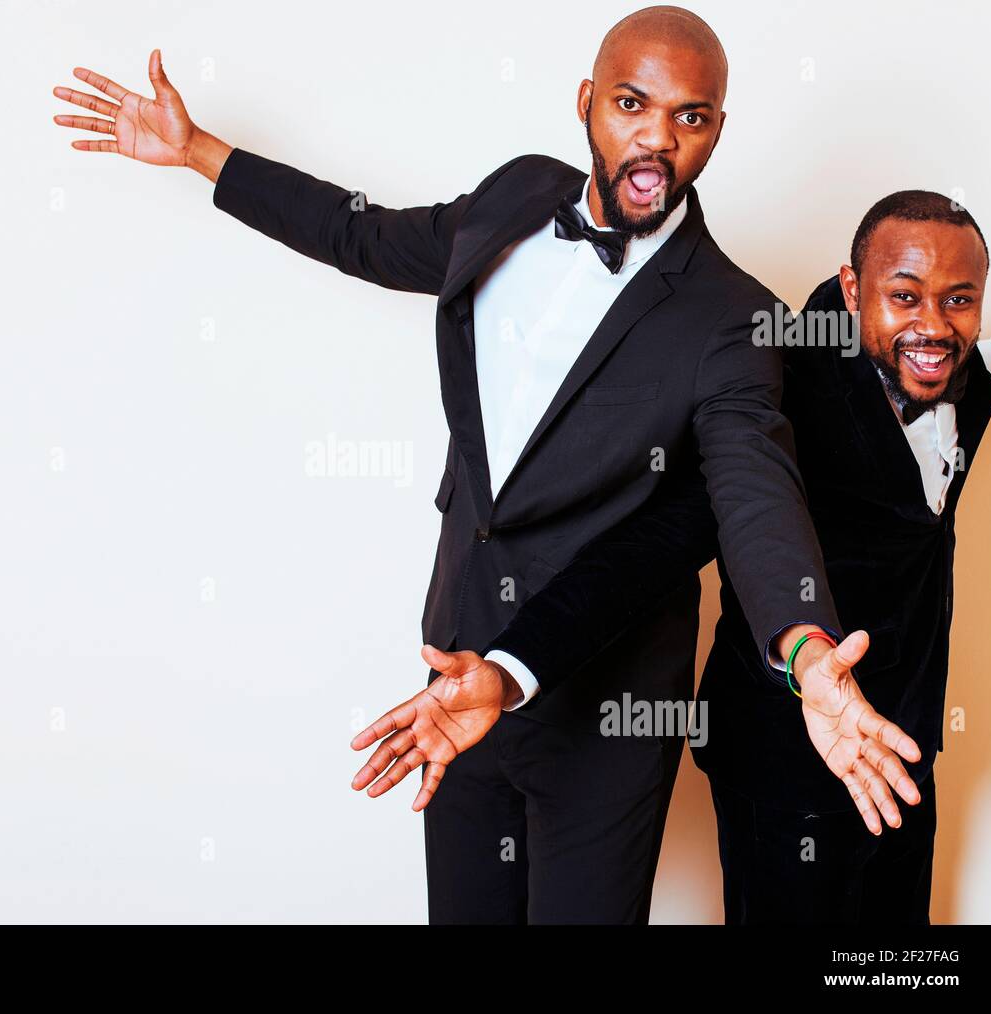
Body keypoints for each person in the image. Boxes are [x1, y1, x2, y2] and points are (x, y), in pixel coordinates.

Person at [54, 6, 914, 923]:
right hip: (457, 662)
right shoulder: (515, 198)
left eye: (690, 117)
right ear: (587, 101)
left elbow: (752, 495)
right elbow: (368, 236)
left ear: (716, 132)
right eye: (632, 104)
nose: (656, 139)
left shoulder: (732, 318)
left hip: (605, 706)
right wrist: (202, 153)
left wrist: (807, 650)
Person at [377, 191, 991, 923]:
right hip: (785, 770)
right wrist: (513, 668)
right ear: (854, 288)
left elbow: (984, 358)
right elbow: (647, 551)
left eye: (959, 301)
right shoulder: (778, 389)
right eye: (905, 297)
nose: (933, 325)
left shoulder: (970, 373)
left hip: (904, 752)